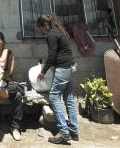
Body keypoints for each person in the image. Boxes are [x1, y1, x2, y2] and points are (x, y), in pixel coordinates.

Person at [36, 14, 79, 144]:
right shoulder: (59, 31)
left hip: (63, 69)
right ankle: (74, 131)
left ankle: (64, 133)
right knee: (69, 99)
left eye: (41, 28)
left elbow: (52, 56)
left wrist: (43, 72)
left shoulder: (51, 35)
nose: (42, 30)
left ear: (45, 25)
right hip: (71, 66)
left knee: (54, 97)